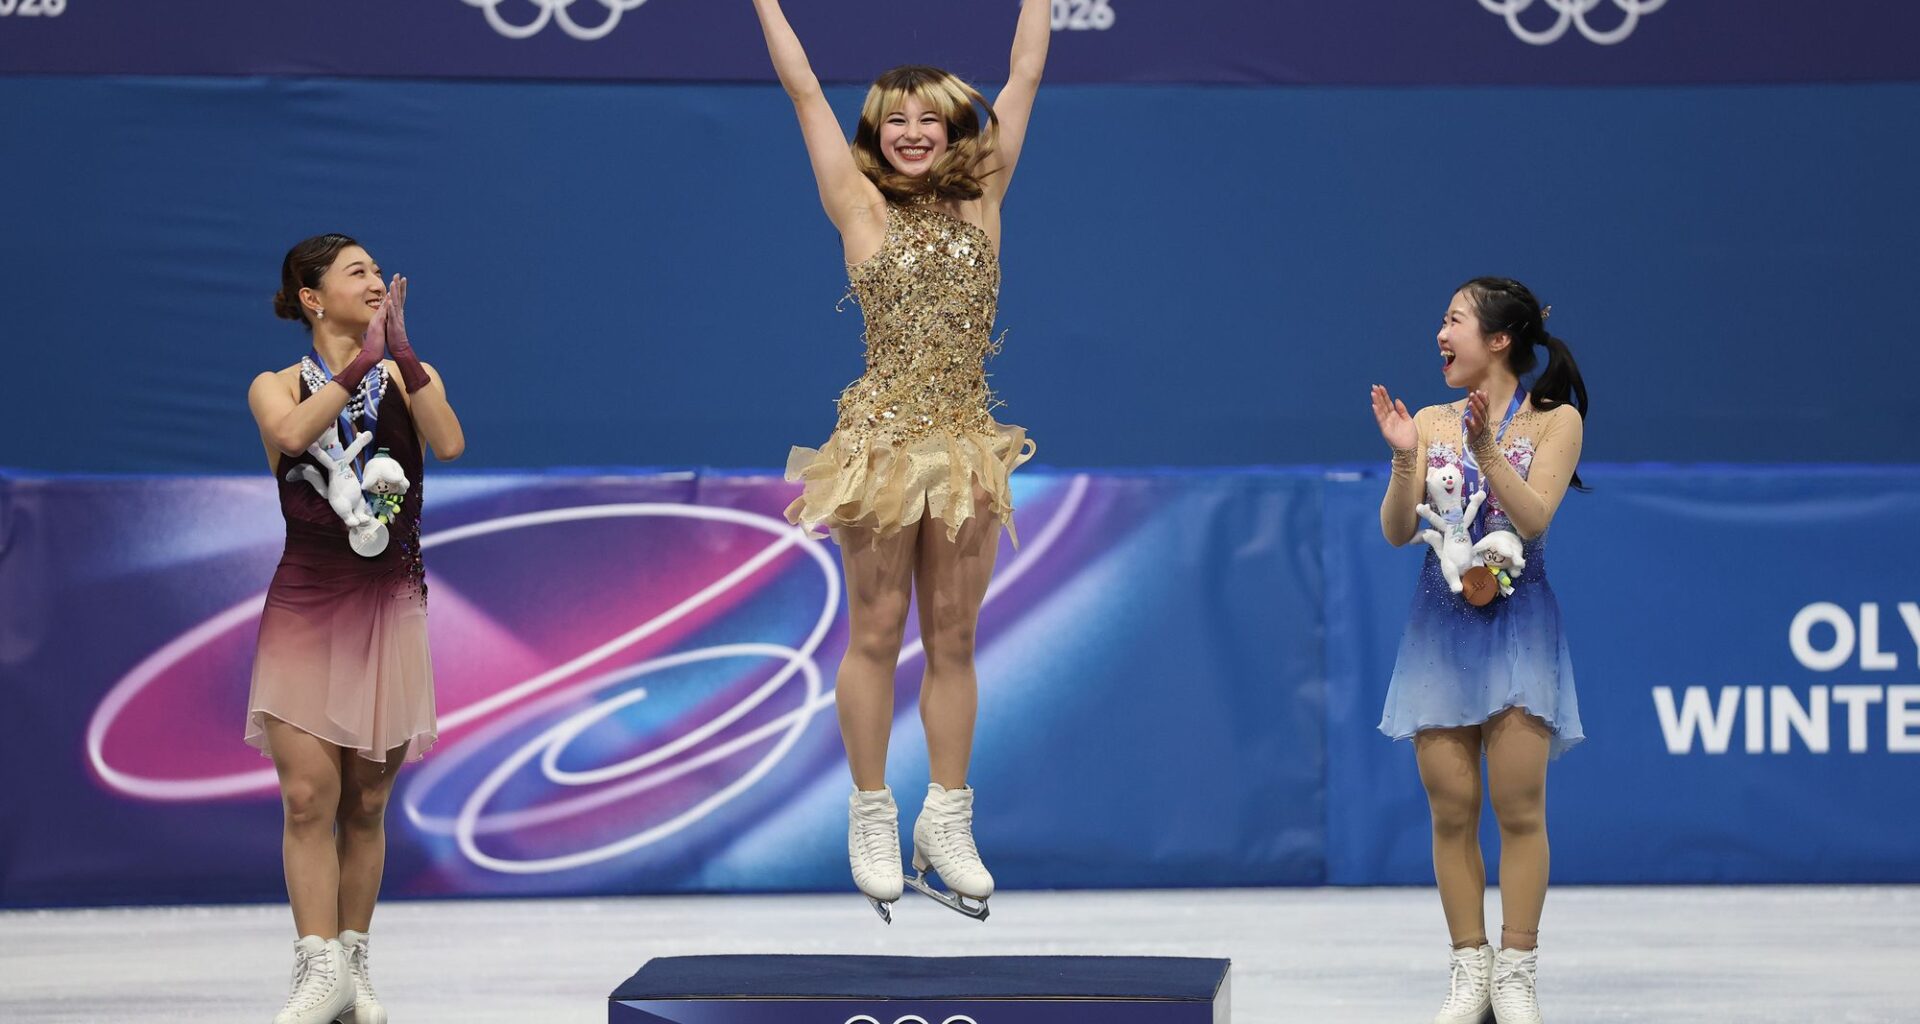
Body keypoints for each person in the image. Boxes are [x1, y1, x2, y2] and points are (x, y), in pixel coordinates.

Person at [748, 0, 1052, 921]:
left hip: (964, 444)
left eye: (930, 118)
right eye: (895, 119)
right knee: (877, 632)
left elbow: (1028, 70)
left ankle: (946, 816)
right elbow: (801, 86)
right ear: (875, 133)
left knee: (954, 639)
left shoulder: (984, 194)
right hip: (881, 446)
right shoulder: (857, 202)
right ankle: (872, 811)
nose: (913, 132)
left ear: (955, 127)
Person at [246, 233, 464, 1022]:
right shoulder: (272, 385)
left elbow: (448, 441)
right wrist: (360, 364)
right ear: (312, 297)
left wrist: (401, 359)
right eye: (357, 272)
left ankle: (355, 963)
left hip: (390, 610)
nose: (376, 281)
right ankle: (316, 968)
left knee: (367, 802)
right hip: (307, 606)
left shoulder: (410, 376)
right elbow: (295, 435)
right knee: (309, 796)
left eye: (378, 271)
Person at [1370, 277, 1588, 1024]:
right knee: (1452, 808)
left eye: (1454, 319)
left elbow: (1533, 519)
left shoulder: (1556, 422)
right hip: (1440, 632)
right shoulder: (1428, 419)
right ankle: (1470, 968)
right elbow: (1399, 532)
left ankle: (1517, 971)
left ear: (1498, 339)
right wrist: (1405, 459)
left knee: (1519, 805)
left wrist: (1490, 452)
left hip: (1521, 630)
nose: (1440, 332)